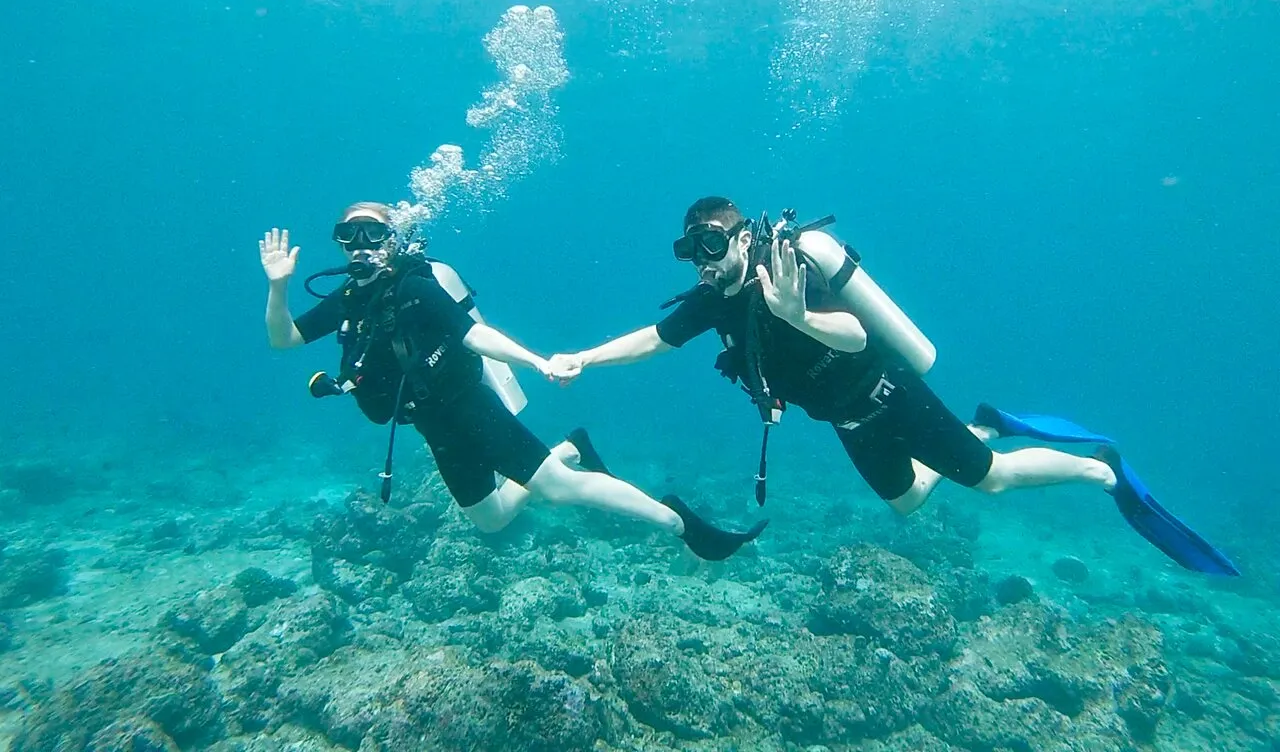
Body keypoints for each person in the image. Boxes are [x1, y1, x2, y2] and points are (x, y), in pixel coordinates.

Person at [548, 196, 1238, 576]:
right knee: (907, 502)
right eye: (689, 251)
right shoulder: (713, 300)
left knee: (992, 481)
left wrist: (793, 313)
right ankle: (983, 425)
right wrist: (584, 357)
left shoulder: (786, 271)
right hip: (846, 421)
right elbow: (653, 338)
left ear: (738, 238)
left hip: (889, 394)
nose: (700, 263)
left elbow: (856, 336)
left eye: (709, 245)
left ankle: (1100, 469)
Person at [259, 201, 766, 561]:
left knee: (561, 490)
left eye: (372, 234)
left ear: (392, 241)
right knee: (491, 520)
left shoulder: (416, 288)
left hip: (470, 408)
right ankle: (569, 448)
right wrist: (278, 286)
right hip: (432, 425)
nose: (359, 247)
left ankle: (678, 523)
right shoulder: (348, 300)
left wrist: (537, 362)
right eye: (348, 235)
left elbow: (475, 335)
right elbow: (284, 339)